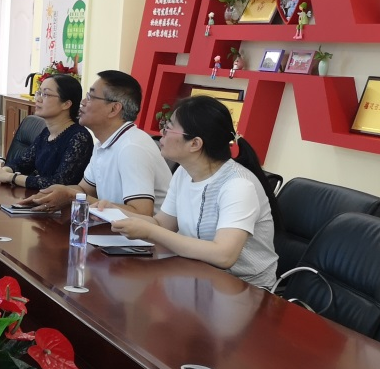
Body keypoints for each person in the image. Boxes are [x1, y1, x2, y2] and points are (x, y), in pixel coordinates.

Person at [104, 95, 280, 289]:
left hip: (245, 289)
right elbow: (163, 224)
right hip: (198, 277)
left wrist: (150, 231)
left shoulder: (238, 185)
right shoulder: (183, 172)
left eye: (168, 127)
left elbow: (224, 255)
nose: (162, 132)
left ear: (195, 144)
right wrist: (115, 211)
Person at [22, 69, 170, 215]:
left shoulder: (132, 147)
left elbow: (142, 213)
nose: (83, 102)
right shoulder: (103, 143)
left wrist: (71, 196)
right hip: (112, 226)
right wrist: (48, 194)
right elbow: (85, 189)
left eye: (90, 97)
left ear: (114, 109)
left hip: (141, 231)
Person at [0, 74, 92, 189]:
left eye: (45, 94)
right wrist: (3, 171)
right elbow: (23, 163)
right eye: (39, 93)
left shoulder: (79, 137)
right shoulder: (47, 132)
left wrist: (10, 177)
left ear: (66, 104)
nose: (38, 99)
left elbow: (59, 183)